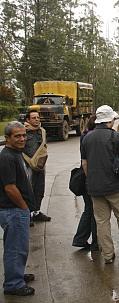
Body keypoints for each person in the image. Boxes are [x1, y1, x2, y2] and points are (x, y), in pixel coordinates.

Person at [81, 105, 119, 264]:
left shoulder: (87, 138)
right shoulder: (116, 137)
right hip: (115, 186)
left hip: (95, 187)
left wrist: (91, 179)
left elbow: (84, 163)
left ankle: (108, 255)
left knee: (101, 221)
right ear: (110, 120)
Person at [0, 121, 37, 296]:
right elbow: (10, 188)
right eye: (17, 136)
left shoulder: (16, 153)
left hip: (17, 210)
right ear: (7, 138)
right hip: (12, 210)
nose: (22, 139)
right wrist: (23, 208)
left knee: (20, 246)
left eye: (24, 135)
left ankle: (17, 274)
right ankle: (13, 284)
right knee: (15, 247)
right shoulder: (7, 157)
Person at [72, 114, 98, 250]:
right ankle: (94, 242)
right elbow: (86, 161)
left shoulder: (84, 136)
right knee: (94, 211)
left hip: (87, 177)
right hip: (92, 178)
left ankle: (80, 238)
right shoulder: (93, 137)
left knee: (89, 209)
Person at [22, 110, 51, 223]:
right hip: (27, 165)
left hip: (40, 166)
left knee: (39, 188)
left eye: (38, 117)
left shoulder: (42, 132)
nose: (37, 119)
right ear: (27, 120)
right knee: (28, 189)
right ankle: (27, 214)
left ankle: (37, 212)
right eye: (33, 118)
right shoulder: (23, 132)